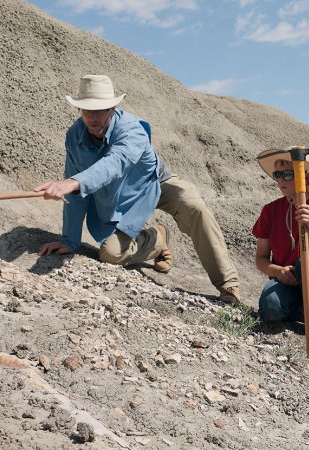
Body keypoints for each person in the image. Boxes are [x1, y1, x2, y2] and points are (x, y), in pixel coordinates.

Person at [37, 75, 240, 304]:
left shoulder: (132, 129)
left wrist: (73, 182)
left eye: (100, 110)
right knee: (111, 255)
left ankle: (228, 286)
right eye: (86, 110)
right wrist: (69, 239)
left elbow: (115, 163)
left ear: (112, 108)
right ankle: (157, 239)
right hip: (118, 194)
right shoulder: (74, 136)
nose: (92, 117)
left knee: (195, 208)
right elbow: (75, 194)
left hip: (154, 182)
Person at [252, 150, 309, 345]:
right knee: (269, 309)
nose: (280, 180)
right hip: (285, 280)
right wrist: (278, 271)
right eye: (277, 175)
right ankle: (303, 311)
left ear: (305, 177)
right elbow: (261, 258)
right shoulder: (269, 211)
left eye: (287, 174)